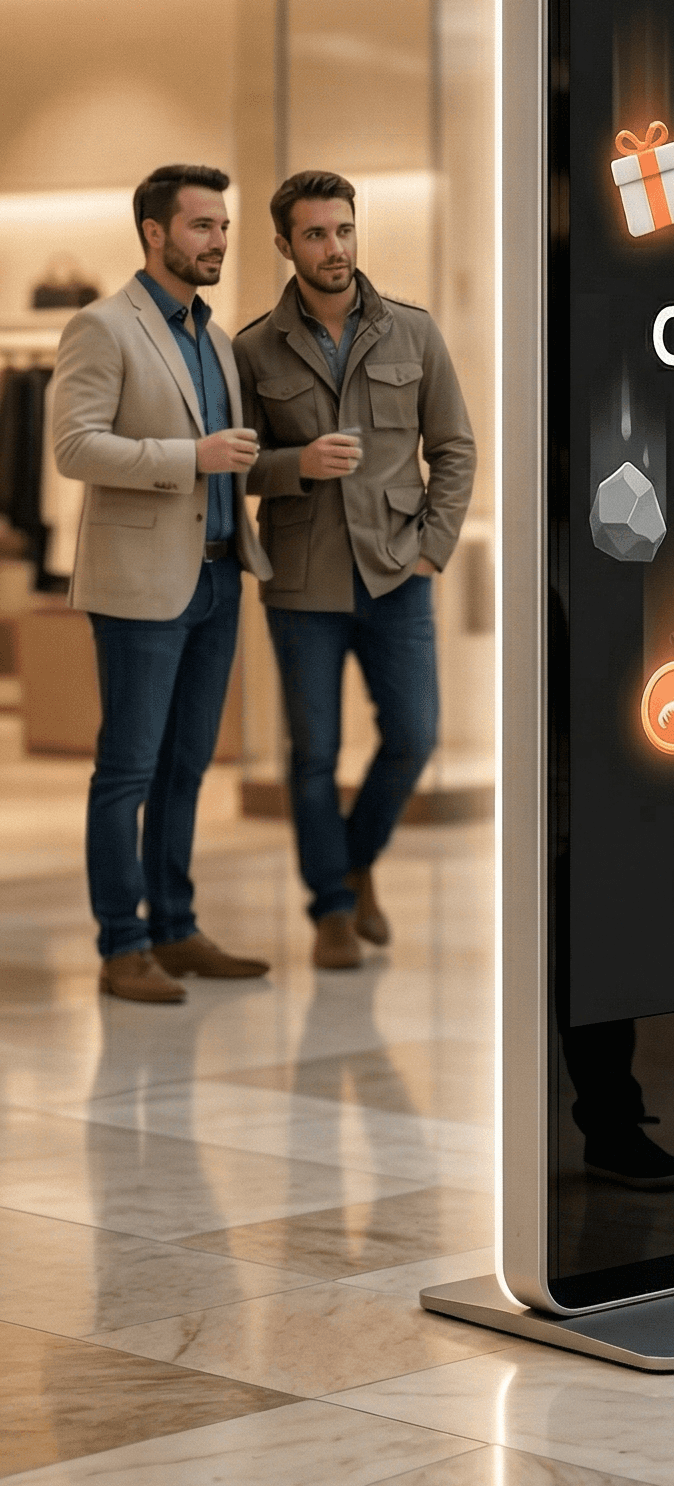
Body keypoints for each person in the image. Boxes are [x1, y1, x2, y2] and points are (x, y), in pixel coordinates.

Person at [235, 172, 475, 969]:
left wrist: (435, 548)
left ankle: (356, 860)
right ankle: (332, 908)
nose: (333, 248)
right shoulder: (252, 348)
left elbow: (454, 449)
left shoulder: (413, 331)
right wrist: (294, 463)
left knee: (413, 736)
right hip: (302, 585)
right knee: (312, 755)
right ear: (284, 245)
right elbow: (236, 469)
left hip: (398, 574)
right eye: (314, 235)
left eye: (342, 231)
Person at [51, 164, 272, 1003]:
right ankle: (123, 944)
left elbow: (232, 461)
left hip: (219, 580)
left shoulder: (216, 339)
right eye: (202, 225)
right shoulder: (102, 327)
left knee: (187, 769)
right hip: (141, 590)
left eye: (222, 225)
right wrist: (192, 458)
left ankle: (176, 930)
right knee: (128, 772)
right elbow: (72, 447)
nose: (218, 239)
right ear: (155, 232)